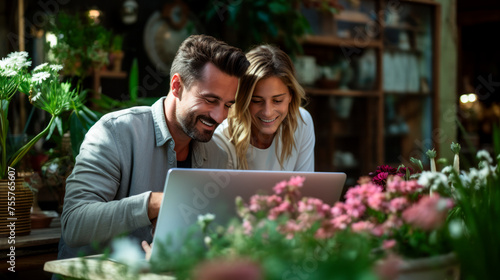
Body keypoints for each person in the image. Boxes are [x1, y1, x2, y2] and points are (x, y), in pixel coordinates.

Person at [57, 34, 249, 260]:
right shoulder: (114, 132)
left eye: (228, 105)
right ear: (177, 86)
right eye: (210, 100)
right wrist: (156, 203)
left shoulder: (217, 154)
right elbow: (75, 224)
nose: (220, 116)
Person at [214, 44, 315, 171]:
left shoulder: (302, 122)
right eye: (257, 101)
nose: (267, 112)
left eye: (277, 100)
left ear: (291, 96)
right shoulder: (223, 138)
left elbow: (303, 186)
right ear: (243, 100)